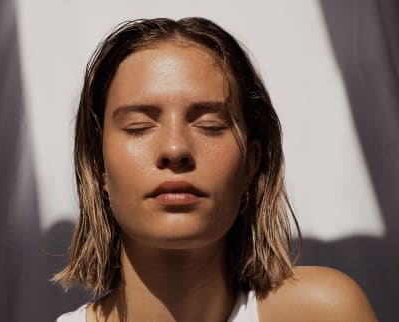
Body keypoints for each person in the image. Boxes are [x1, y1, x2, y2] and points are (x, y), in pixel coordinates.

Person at [54, 17, 378, 322]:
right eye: (139, 126)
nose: (175, 149)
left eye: (210, 125)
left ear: (251, 164)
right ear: (98, 166)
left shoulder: (322, 312)